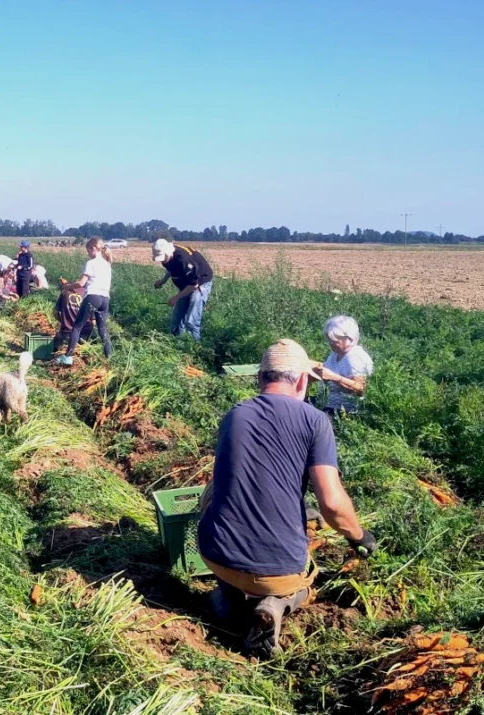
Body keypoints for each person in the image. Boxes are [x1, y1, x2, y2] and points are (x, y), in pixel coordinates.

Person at [197, 339, 376, 656]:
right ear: (304, 380)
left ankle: (227, 596)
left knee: (212, 491)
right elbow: (332, 505)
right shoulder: (315, 421)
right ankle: (275, 604)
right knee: (306, 580)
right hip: (275, 574)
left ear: (259, 378)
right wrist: (359, 536)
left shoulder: (234, 415)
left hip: (213, 554)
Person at [56, 238, 112, 366]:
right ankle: (109, 358)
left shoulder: (91, 263)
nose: (88, 254)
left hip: (93, 296)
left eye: (88, 251)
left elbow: (82, 283)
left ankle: (68, 357)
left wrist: (68, 286)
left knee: (77, 326)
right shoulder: (107, 264)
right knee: (102, 328)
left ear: (93, 249)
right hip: (105, 299)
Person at [151, 239, 214, 341]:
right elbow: (172, 269)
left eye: (163, 258)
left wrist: (175, 298)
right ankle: (176, 343)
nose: (162, 261)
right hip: (186, 284)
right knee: (176, 320)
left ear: (168, 252)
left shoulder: (183, 259)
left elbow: (194, 284)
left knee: (191, 322)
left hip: (200, 282)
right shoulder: (167, 258)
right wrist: (163, 281)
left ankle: (195, 348)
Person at [313, 315, 374, 415]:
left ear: (349, 338)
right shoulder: (336, 353)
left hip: (343, 411)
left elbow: (360, 389)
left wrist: (333, 377)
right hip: (327, 403)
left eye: (335, 341)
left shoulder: (354, 357)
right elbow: (326, 370)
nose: (331, 343)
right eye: (329, 340)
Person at [53, 279, 93, 353]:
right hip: (83, 335)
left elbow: (55, 312)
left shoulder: (65, 292)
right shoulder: (89, 295)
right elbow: (93, 321)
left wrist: (64, 322)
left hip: (66, 333)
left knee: (55, 345)